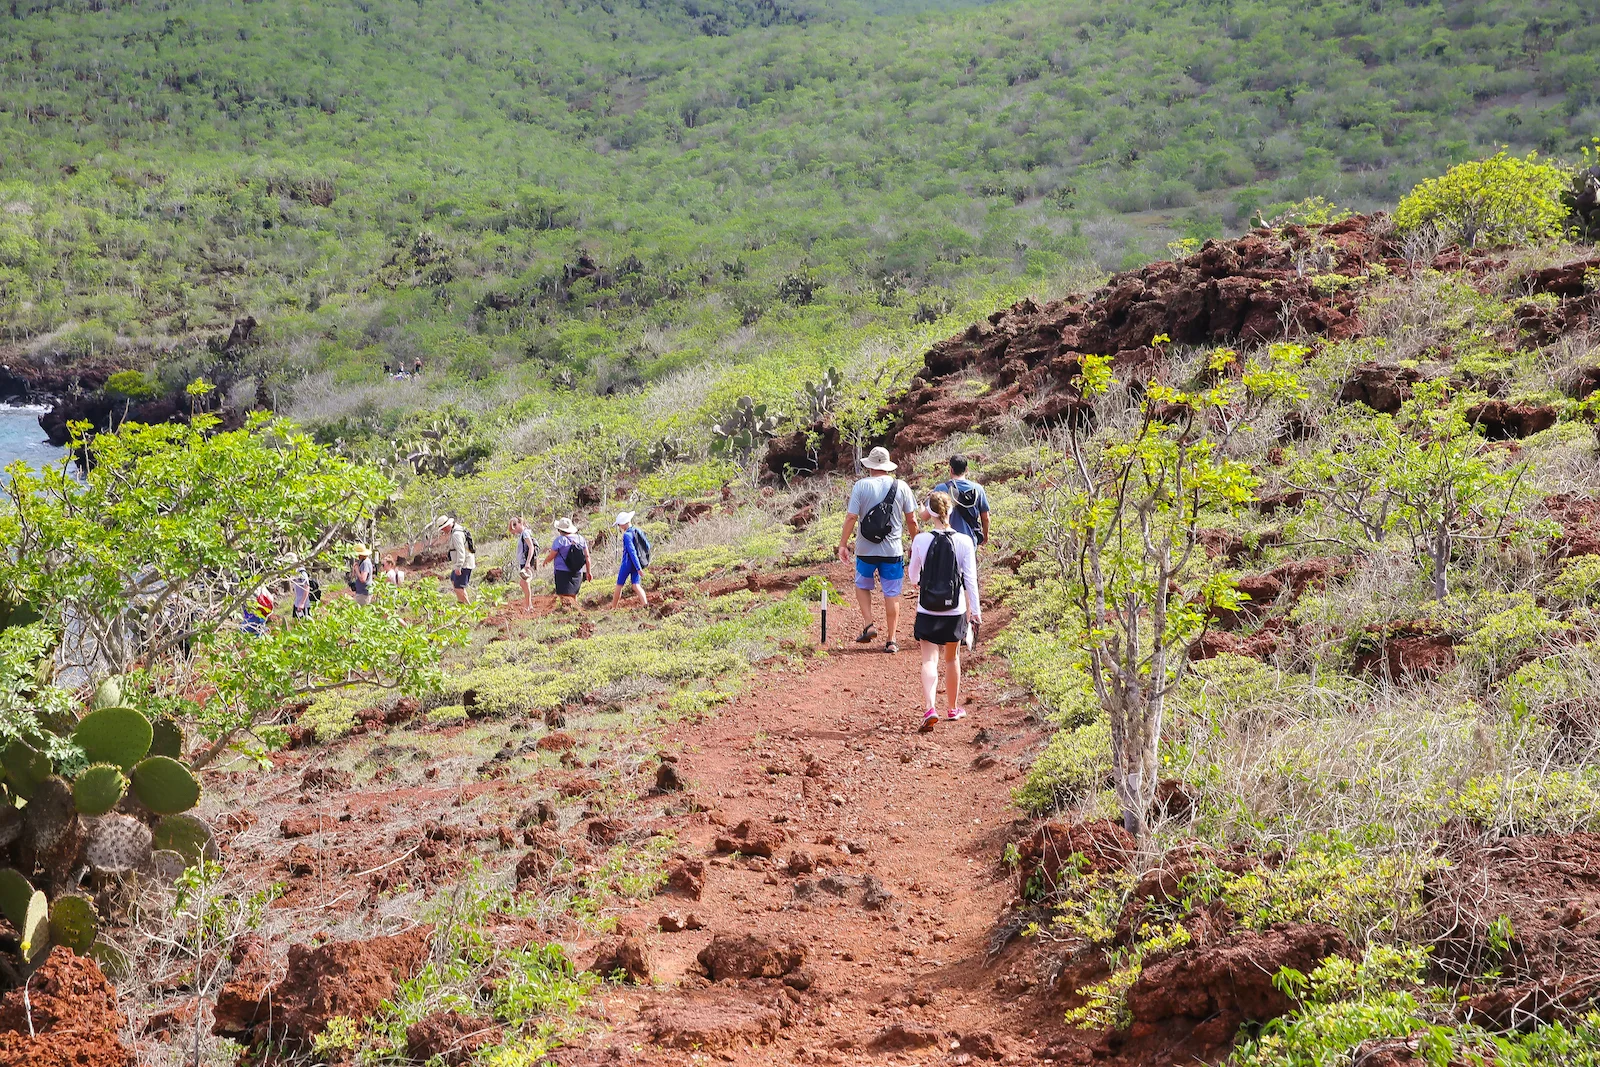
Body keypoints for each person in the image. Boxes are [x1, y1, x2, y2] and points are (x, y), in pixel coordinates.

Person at [907, 491, 981, 731]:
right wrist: (975, 612)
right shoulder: (964, 541)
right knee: (952, 658)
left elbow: (912, 577)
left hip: (927, 608)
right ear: (951, 511)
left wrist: (922, 582)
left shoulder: (920, 540)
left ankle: (930, 708)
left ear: (930, 513)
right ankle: (952, 707)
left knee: (929, 659)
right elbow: (970, 580)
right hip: (955, 609)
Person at [836, 446, 918, 653]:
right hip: (892, 551)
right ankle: (891, 640)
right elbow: (912, 520)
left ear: (870, 466)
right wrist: (916, 545)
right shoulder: (902, 487)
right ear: (888, 466)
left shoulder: (861, 486)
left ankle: (869, 623)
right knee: (892, 593)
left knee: (862, 585)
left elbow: (851, 517)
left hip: (865, 549)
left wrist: (843, 544)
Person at [933, 454, 990, 547]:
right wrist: (985, 536)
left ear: (951, 469)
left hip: (948, 542)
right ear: (966, 469)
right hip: (970, 541)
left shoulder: (941, 488)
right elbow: (985, 518)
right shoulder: (978, 489)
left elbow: (929, 515)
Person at [543, 517, 591, 611]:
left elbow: (552, 555)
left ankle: (566, 612)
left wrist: (546, 561)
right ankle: (575, 612)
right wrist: (588, 572)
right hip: (577, 571)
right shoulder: (580, 539)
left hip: (562, 571)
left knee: (563, 595)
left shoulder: (559, 540)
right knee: (574, 594)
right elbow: (587, 556)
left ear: (560, 530)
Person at [610, 512, 650, 610]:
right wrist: (639, 566)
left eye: (619, 524)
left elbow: (632, 552)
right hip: (637, 562)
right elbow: (647, 546)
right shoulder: (638, 531)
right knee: (636, 585)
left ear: (623, 524)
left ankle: (613, 608)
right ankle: (645, 606)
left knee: (619, 584)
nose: (619, 526)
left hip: (628, 563)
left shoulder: (627, 535)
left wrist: (638, 568)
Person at [436, 516, 474, 604]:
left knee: (459, 587)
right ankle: (461, 603)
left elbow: (461, 551)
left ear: (447, 525)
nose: (443, 531)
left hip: (464, 564)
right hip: (461, 563)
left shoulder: (456, 534)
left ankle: (467, 607)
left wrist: (459, 566)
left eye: (443, 528)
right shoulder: (456, 530)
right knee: (453, 579)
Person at [509, 516, 540, 611]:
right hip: (523, 562)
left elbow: (531, 547)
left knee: (524, 583)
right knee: (524, 583)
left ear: (518, 524)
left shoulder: (525, 533)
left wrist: (527, 563)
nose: (514, 531)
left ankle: (528, 606)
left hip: (526, 562)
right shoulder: (523, 534)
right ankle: (529, 605)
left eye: (514, 528)